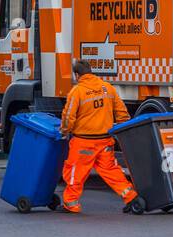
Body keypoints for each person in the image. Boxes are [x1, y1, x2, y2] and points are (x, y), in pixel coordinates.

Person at [59, 59, 141, 214]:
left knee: (75, 171)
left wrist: (64, 130)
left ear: (77, 75)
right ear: (90, 71)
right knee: (111, 170)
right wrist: (124, 128)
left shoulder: (77, 92)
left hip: (84, 142)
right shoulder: (107, 88)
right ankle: (131, 197)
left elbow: (68, 116)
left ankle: (71, 203)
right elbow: (122, 112)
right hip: (104, 140)